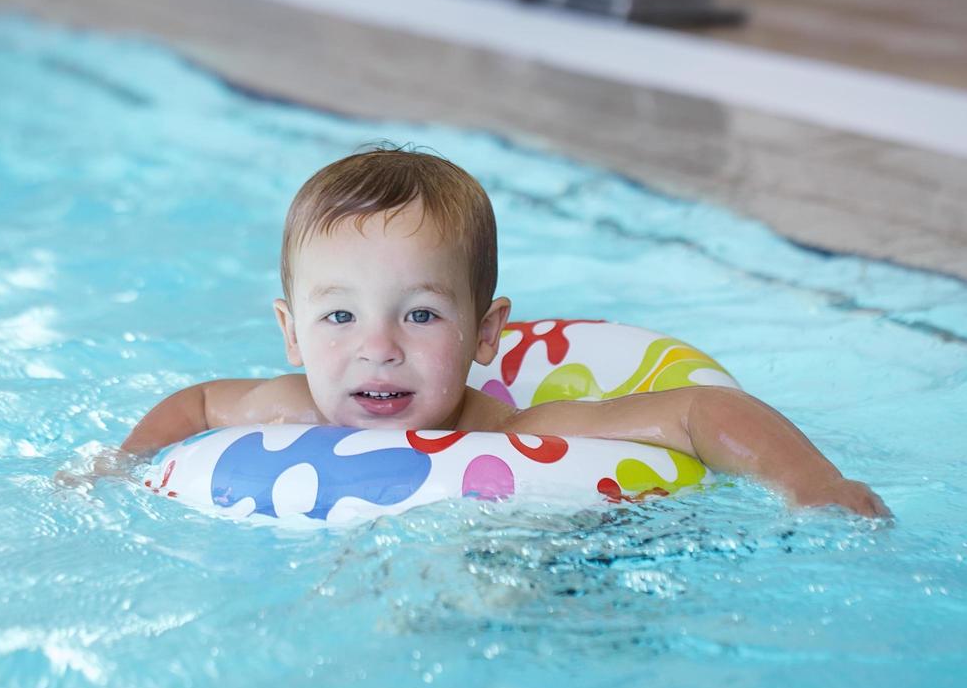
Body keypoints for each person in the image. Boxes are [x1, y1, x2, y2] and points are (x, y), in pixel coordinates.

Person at [114, 146, 889, 517]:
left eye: (420, 314)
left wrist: (817, 486)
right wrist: (115, 467)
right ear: (291, 332)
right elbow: (201, 405)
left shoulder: (526, 431)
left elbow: (698, 412)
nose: (377, 346)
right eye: (339, 315)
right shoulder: (292, 404)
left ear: (487, 333)